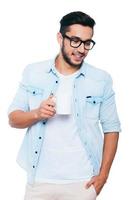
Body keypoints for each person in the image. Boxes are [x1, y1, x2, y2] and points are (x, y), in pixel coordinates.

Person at [8, 11, 121, 200]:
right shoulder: (34, 72)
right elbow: (13, 119)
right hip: (40, 180)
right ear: (60, 38)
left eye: (87, 43)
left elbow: (112, 129)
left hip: (83, 182)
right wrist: (37, 113)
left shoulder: (101, 79)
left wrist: (103, 176)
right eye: (75, 40)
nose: (82, 49)